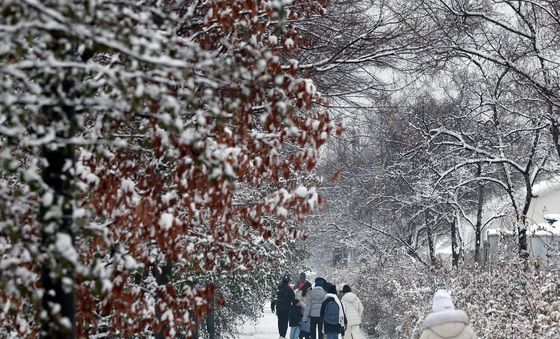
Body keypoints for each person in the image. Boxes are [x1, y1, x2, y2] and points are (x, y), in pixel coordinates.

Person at [272, 275, 296, 339]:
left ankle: (281, 334)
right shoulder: (289, 289)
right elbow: (293, 299)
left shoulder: (279, 288)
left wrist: (272, 306)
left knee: (280, 321)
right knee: (285, 322)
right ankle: (283, 335)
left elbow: (274, 299)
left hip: (279, 308)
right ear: (288, 281)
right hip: (286, 308)